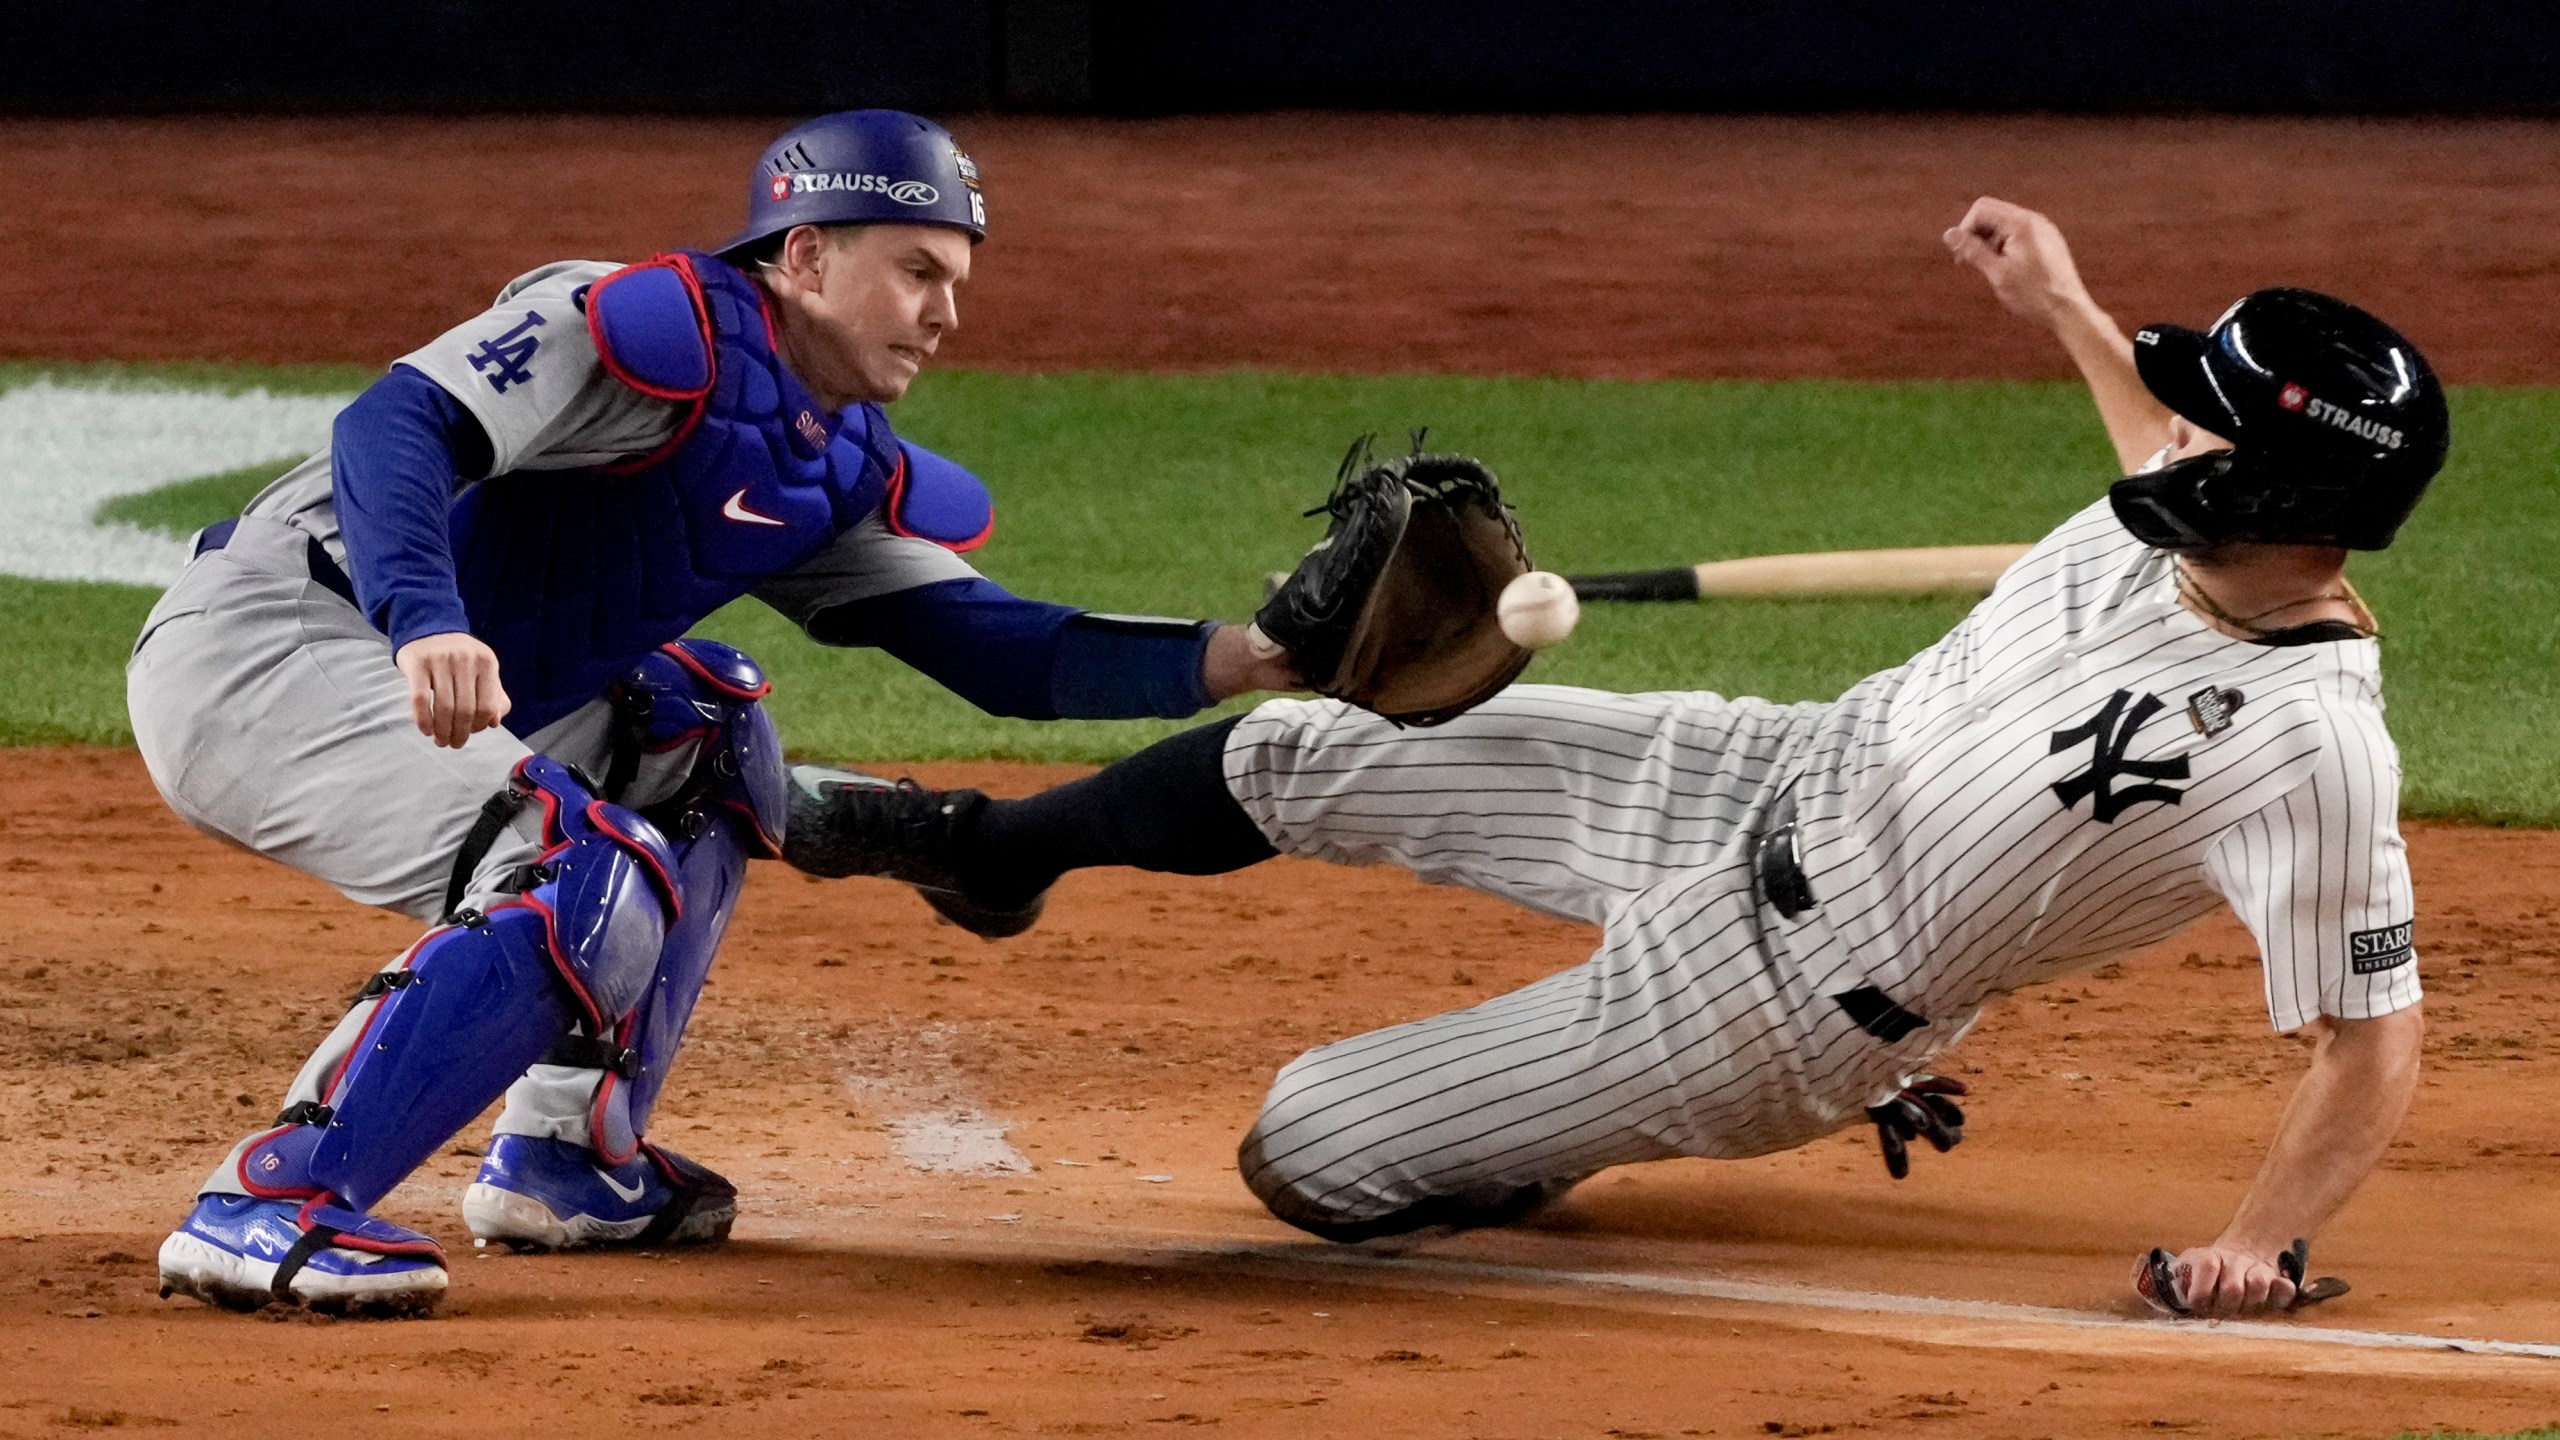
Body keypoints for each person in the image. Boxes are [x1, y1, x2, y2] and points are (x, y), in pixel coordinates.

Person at [794, 197, 2444, 1318]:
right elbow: (2150, 426)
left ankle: (1551, 1124)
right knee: (1311, 741)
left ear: (2276, 499)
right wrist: (2063, 301)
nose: (2176, 431)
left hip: (1784, 1007)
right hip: (1759, 770)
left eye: (2213, 428)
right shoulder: (2198, 500)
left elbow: (2368, 1046)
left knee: (1309, 1145)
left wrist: (2258, 1245)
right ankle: (998, 857)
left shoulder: (2309, 753)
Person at [134, 109, 1295, 1316]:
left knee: (702, 733)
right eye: (915, 271)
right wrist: (427, 616)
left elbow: (999, 649)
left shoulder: (829, 461)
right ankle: (274, 1203)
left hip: (419, 672)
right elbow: (396, 424)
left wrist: (1255, 655)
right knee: (574, 865)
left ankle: (570, 1157)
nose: (946, 315)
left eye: (953, 280)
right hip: (274, 644)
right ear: (803, 256)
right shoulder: (630, 324)